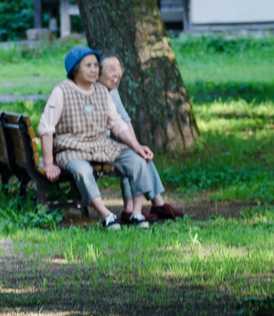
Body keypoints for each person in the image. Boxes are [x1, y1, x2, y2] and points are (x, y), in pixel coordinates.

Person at [37, 46, 157, 230]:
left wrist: (137, 146)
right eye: (88, 65)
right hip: (72, 149)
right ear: (75, 69)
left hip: (101, 145)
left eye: (95, 65)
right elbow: (46, 128)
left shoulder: (101, 91)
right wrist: (49, 163)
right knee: (83, 170)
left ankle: (136, 214)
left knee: (137, 159)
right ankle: (106, 215)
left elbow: (117, 124)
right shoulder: (61, 91)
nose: (94, 69)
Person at [98, 53, 185, 222]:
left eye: (118, 68)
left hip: (106, 148)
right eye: (111, 69)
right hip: (95, 149)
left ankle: (148, 205)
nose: (116, 73)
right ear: (98, 73)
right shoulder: (95, 92)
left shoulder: (112, 91)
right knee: (132, 157)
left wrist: (136, 145)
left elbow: (125, 120)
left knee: (138, 153)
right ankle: (145, 206)